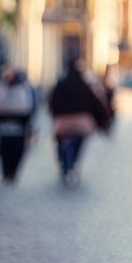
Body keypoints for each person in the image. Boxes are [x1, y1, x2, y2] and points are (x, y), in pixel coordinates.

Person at [47, 58, 111, 186]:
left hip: (63, 122)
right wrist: (103, 122)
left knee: (60, 140)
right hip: (80, 123)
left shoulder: (61, 84)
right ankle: (72, 163)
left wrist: (57, 115)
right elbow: (95, 104)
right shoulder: (84, 85)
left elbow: (52, 102)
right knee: (78, 141)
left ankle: (64, 163)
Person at [0, 67, 37, 185]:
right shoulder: (1, 88)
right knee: (4, 152)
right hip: (5, 128)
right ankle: (7, 174)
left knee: (17, 152)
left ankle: (12, 173)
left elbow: (30, 109)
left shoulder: (24, 89)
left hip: (18, 128)